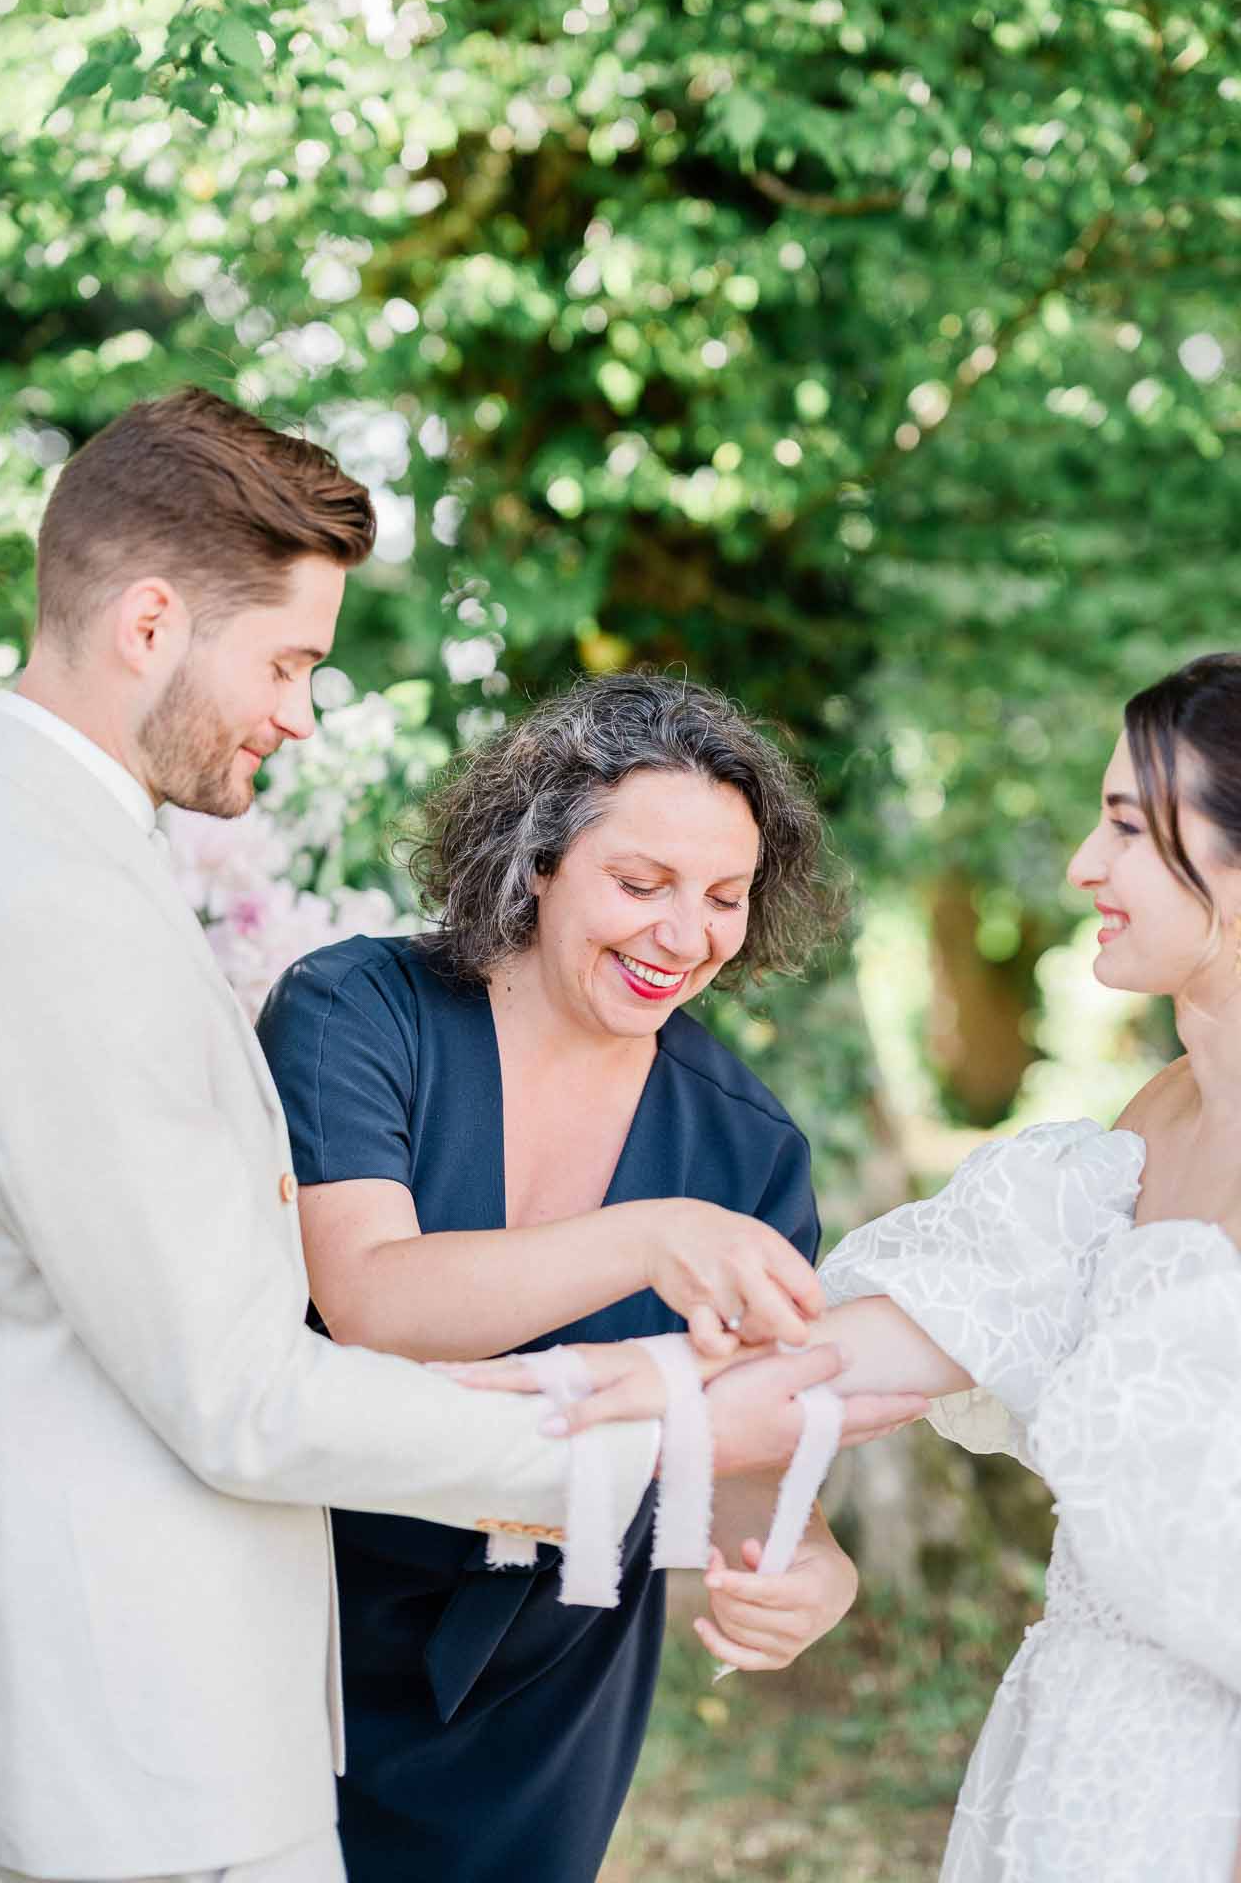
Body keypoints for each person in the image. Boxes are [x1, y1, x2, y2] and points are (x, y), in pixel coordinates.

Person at [0, 390, 881, 1883]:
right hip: (155, 1710)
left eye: (722, 897)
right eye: (287, 661)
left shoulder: (86, 854)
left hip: (466, 1693)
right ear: (149, 623)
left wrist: (786, 1532)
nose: (299, 712)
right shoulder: (63, 890)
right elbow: (250, 1387)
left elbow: (764, 1445)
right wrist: (631, 1448)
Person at [493, 653, 1241, 1882]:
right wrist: (607, 1387)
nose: (1081, 865)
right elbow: (884, 1341)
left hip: (1219, 1801)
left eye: (1126, 828)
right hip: (1070, 1754)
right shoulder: (1156, 1116)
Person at [255, 672, 919, 1883]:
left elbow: (743, 1439)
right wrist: (643, 1237)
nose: (685, 934)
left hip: (550, 1678)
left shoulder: (747, 1145)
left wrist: (811, 1561)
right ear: (536, 861)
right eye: (640, 883)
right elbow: (372, 1303)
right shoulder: (359, 1010)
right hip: (286, 1624)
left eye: (724, 897)